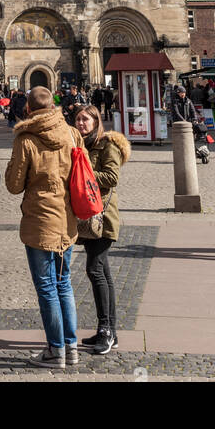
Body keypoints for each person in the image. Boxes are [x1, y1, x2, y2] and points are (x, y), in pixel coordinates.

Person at [5, 84, 84, 368]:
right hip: (67, 219)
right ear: (54, 106)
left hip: (40, 222)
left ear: (28, 109)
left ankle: (55, 350)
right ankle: (71, 347)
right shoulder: (73, 133)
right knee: (64, 284)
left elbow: (14, 185)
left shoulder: (26, 139)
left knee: (47, 287)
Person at [73, 104, 129, 354]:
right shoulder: (82, 144)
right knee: (102, 272)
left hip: (104, 216)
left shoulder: (108, 145)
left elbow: (112, 177)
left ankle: (106, 329)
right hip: (90, 215)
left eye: (86, 119)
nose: (81, 123)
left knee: (95, 270)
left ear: (96, 121)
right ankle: (109, 331)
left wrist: (83, 175)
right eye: (78, 119)